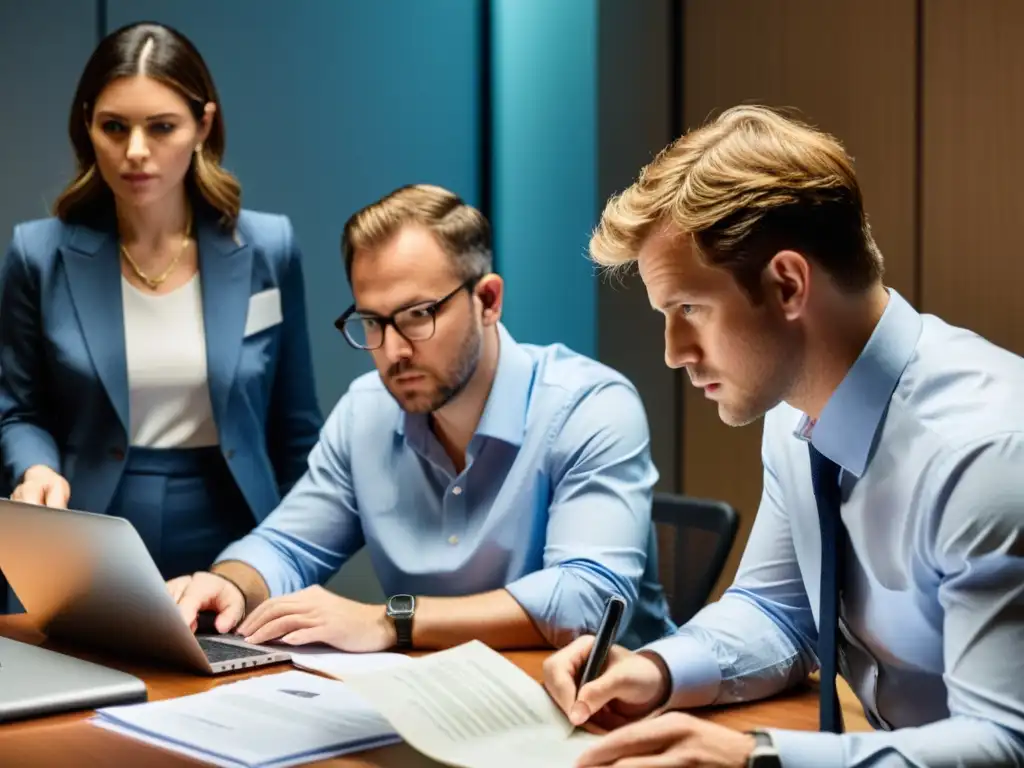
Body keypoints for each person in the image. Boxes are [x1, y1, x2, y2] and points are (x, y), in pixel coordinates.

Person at [542, 105, 1024, 767]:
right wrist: (658, 670)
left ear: (788, 284)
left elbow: (1004, 744)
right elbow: (777, 611)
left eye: (689, 309)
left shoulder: (987, 455)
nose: (673, 351)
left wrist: (755, 756)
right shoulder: (796, 415)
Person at [168, 183, 675, 652]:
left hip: (607, 712)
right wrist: (230, 583)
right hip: (434, 700)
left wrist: (392, 621)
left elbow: (586, 601)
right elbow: (285, 546)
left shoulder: (589, 405)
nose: (393, 350)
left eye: (417, 315)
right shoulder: (365, 412)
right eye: (372, 321)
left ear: (488, 300)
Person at [0, 22, 322, 601]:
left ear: (203, 126)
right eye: (114, 127)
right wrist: (34, 471)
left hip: (237, 534)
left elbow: (296, 428)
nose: (136, 152)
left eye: (162, 127)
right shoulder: (38, 253)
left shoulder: (269, 248)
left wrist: (297, 561)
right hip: (87, 525)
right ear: (87, 126)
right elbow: (18, 410)